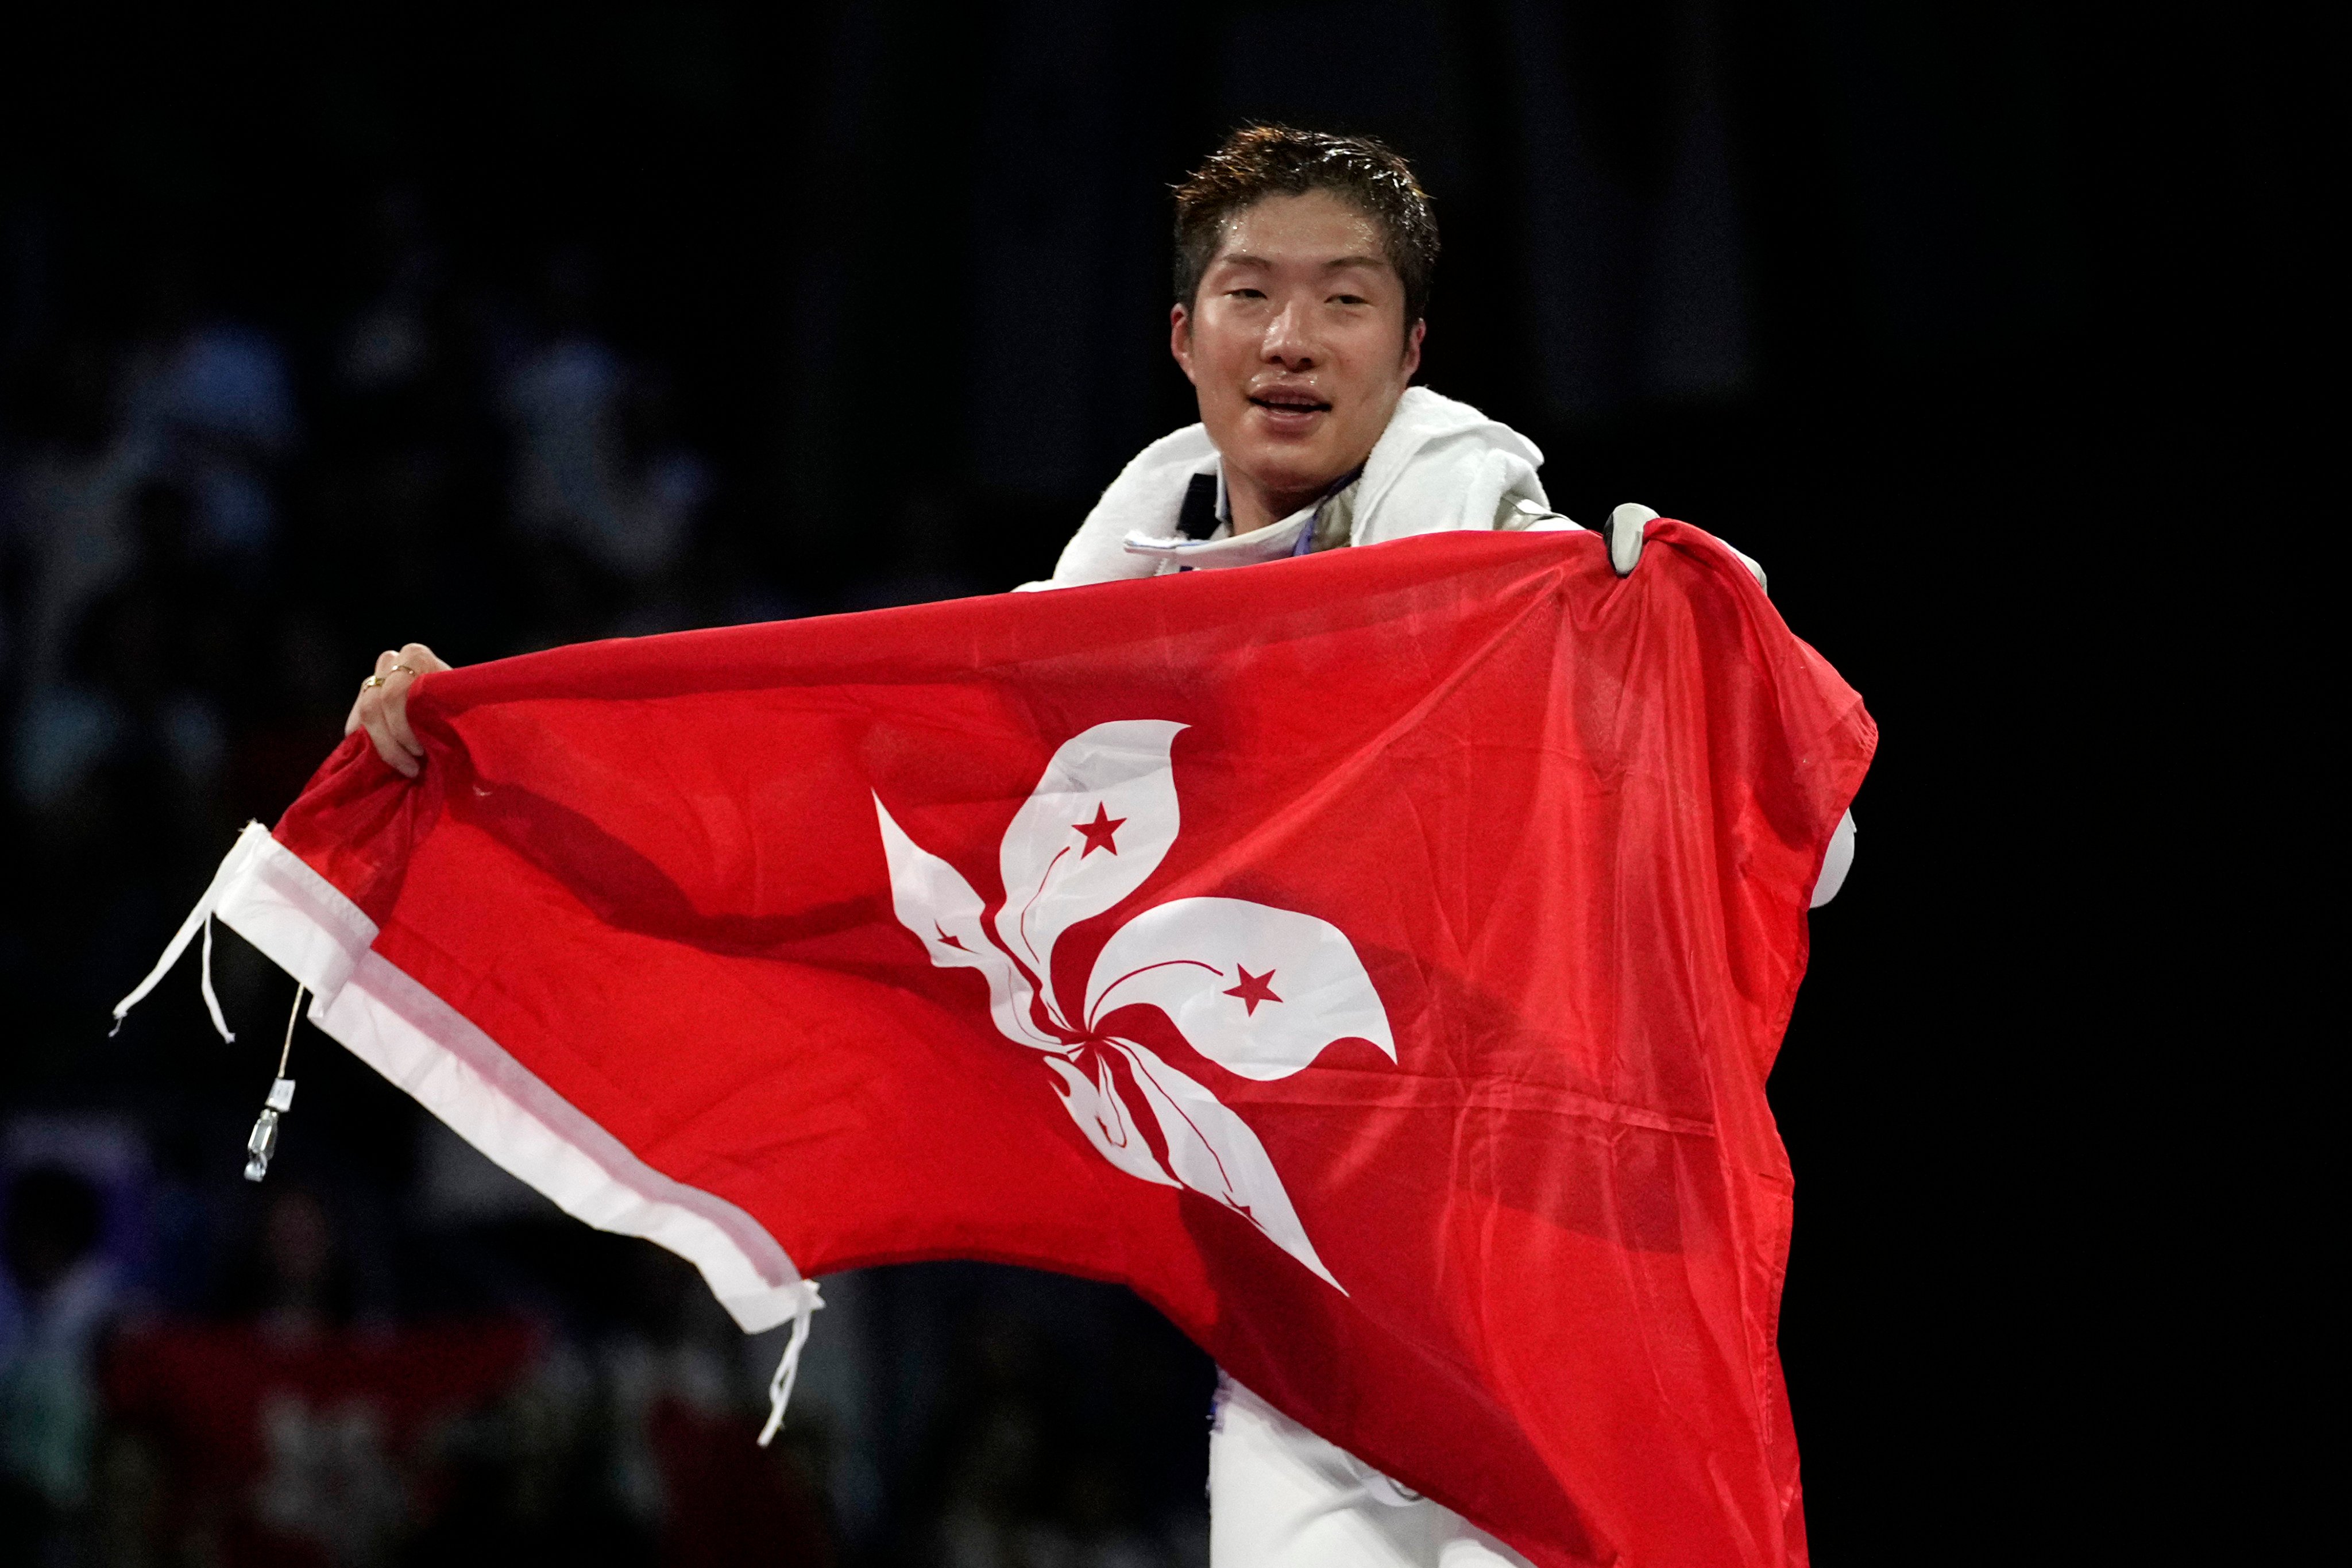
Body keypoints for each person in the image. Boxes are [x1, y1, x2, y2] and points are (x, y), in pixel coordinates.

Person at [345, 125, 1854, 1567]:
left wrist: (1681, 665)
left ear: (1410, 354)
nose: (1292, 339)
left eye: (1347, 301)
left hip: (1545, 1274)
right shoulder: (1116, 569)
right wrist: (497, 733)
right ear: (1185, 335)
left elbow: (1802, 838)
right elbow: (850, 746)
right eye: (1252, 296)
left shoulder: (1504, 547)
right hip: (1320, 1320)